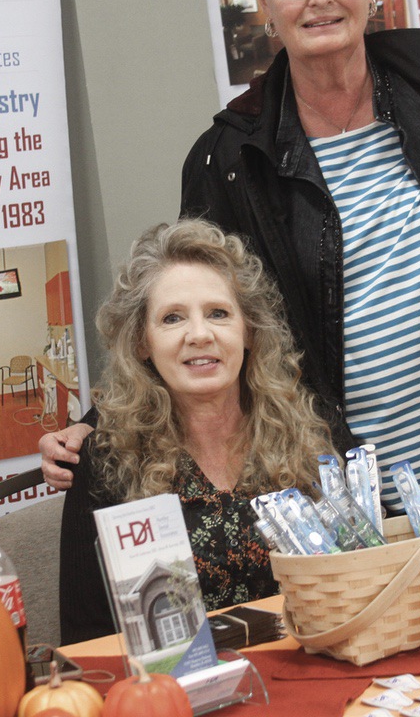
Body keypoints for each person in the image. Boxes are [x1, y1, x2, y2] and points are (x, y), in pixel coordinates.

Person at [43, 0, 420, 520]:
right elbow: (200, 310)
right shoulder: (230, 159)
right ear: (265, 1)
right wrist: (97, 424)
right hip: (359, 481)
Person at [57, 219, 331, 643]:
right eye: (172, 318)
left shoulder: (310, 433)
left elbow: (360, 578)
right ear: (141, 343)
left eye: (218, 313)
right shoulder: (103, 462)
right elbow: (86, 639)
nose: (199, 335)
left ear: (249, 332)